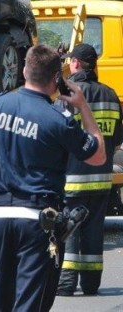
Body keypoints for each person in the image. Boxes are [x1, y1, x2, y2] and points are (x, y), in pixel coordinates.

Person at [0, 43, 106, 312]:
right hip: (37, 221)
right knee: (31, 301)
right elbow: (97, 155)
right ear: (56, 78)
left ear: (25, 71)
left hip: (0, 218)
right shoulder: (58, 119)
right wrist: (83, 106)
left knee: (2, 298)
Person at [56, 44, 123, 296]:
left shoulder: (69, 93)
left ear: (74, 63)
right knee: (93, 230)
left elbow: (57, 132)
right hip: (102, 178)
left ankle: (66, 283)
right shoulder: (111, 94)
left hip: (73, 177)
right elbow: (116, 137)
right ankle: (91, 284)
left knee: (70, 229)